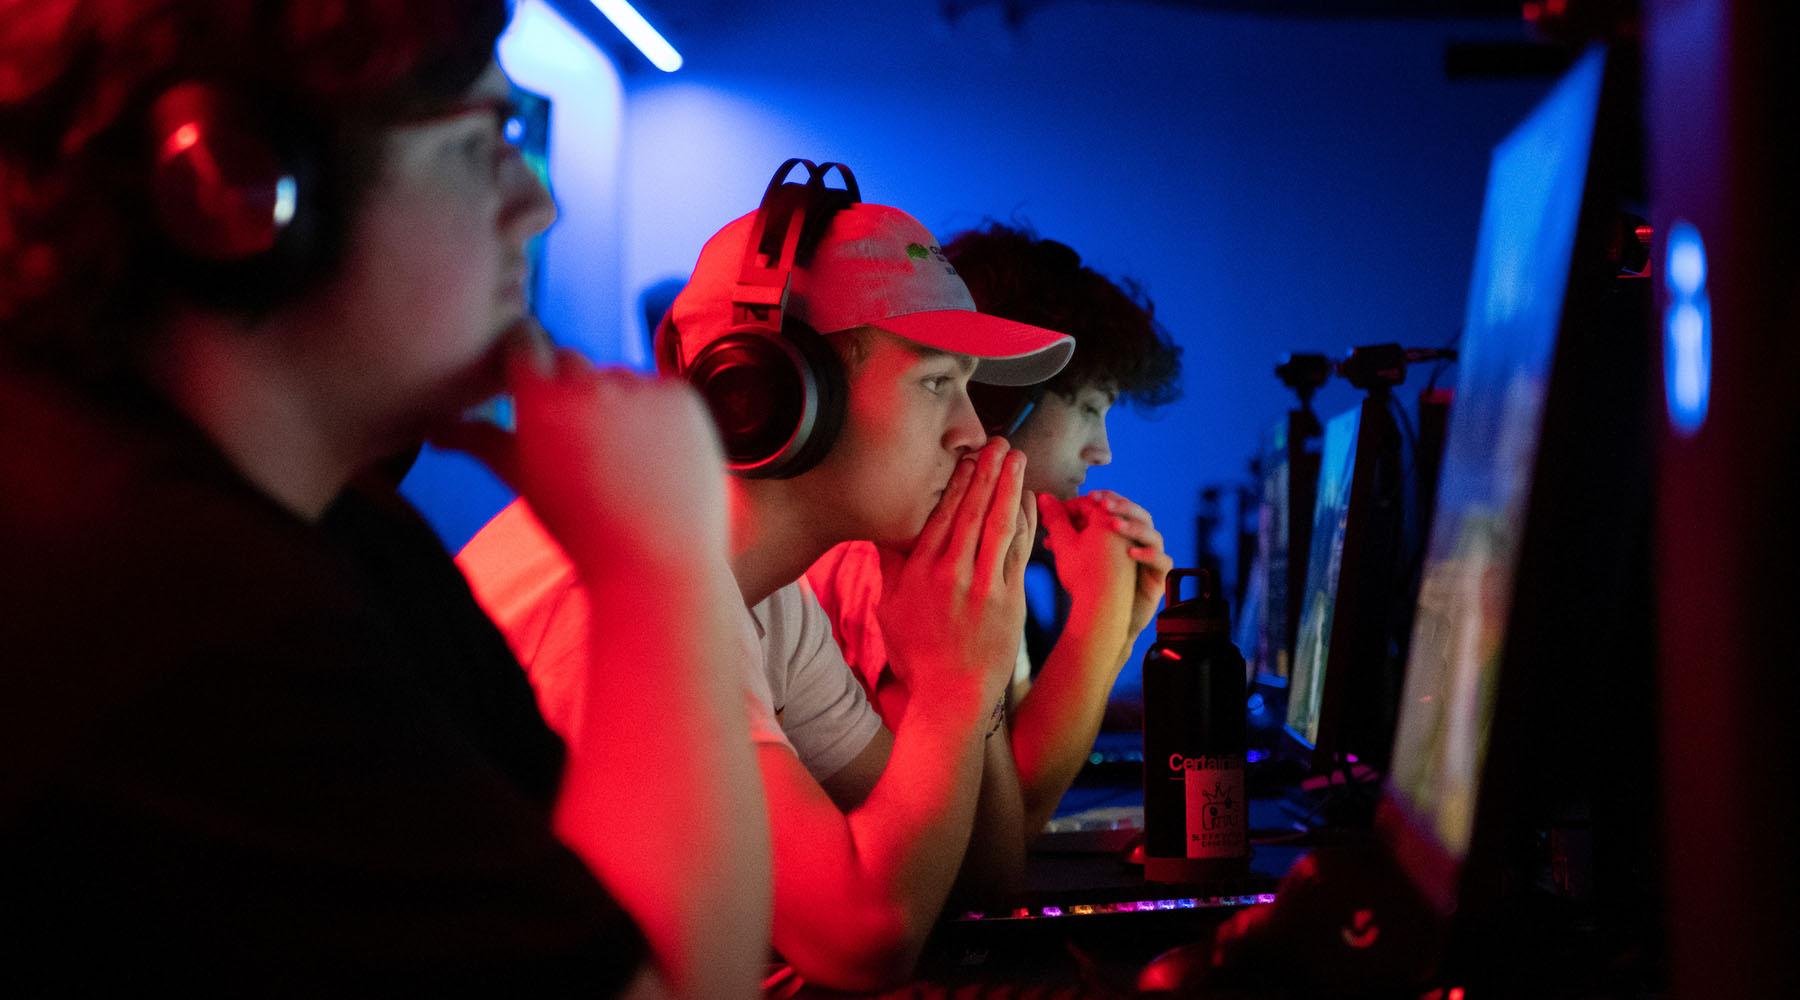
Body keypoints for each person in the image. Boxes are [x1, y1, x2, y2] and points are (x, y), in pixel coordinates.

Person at [0, 2, 765, 994]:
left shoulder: (355, 539)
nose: (539, 208)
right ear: (238, 188)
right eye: (482, 144)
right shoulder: (159, 596)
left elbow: (573, 902)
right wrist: (657, 571)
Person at [458, 165, 1072, 991]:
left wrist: (976, 655)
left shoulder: (768, 596)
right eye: (936, 383)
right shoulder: (620, 587)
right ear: (774, 392)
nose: (971, 433)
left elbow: (977, 880)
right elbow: (864, 940)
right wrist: (955, 689)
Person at [807, 221, 1184, 837]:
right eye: (1089, 408)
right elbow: (1000, 837)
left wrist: (1117, 629)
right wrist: (1099, 620)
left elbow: (1006, 768)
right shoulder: (893, 565)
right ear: (1004, 398)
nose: (1102, 452)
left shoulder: (973, 548)